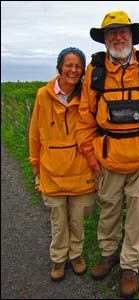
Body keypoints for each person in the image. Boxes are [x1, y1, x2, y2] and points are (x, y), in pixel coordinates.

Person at [75, 10, 139, 298]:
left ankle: (129, 267)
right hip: (107, 156)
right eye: (111, 33)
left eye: (123, 31)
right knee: (108, 209)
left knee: (136, 214)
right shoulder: (94, 72)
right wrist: (90, 153)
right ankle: (108, 255)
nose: (117, 37)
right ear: (104, 39)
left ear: (132, 36)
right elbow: (85, 118)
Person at [29, 47, 96, 282]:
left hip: (81, 172)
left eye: (78, 65)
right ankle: (58, 259)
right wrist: (36, 166)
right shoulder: (42, 95)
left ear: (83, 70)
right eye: (69, 64)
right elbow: (35, 136)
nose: (73, 70)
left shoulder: (88, 96)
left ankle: (76, 256)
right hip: (51, 171)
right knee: (58, 221)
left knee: (77, 220)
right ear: (59, 67)